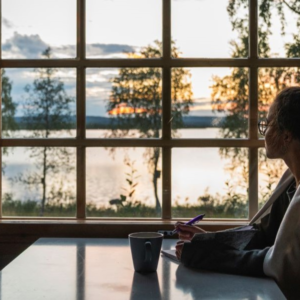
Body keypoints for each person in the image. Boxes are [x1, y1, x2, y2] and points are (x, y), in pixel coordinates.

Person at [175, 86, 300, 299]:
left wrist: (206, 256)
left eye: (268, 123)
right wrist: (211, 241)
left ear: (286, 136)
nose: (264, 131)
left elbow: (276, 262)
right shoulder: (290, 182)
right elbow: (265, 234)